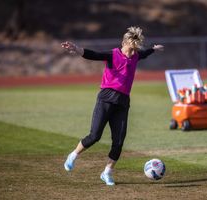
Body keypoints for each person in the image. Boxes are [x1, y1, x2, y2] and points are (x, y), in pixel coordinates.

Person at [61, 26, 164, 186]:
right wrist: (76, 49)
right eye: (130, 49)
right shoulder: (112, 54)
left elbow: (144, 54)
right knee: (95, 136)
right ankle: (73, 155)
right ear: (124, 43)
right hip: (106, 99)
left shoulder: (136, 56)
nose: (132, 53)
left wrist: (153, 49)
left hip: (123, 103)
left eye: (134, 50)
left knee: (119, 142)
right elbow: (93, 54)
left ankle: (107, 172)